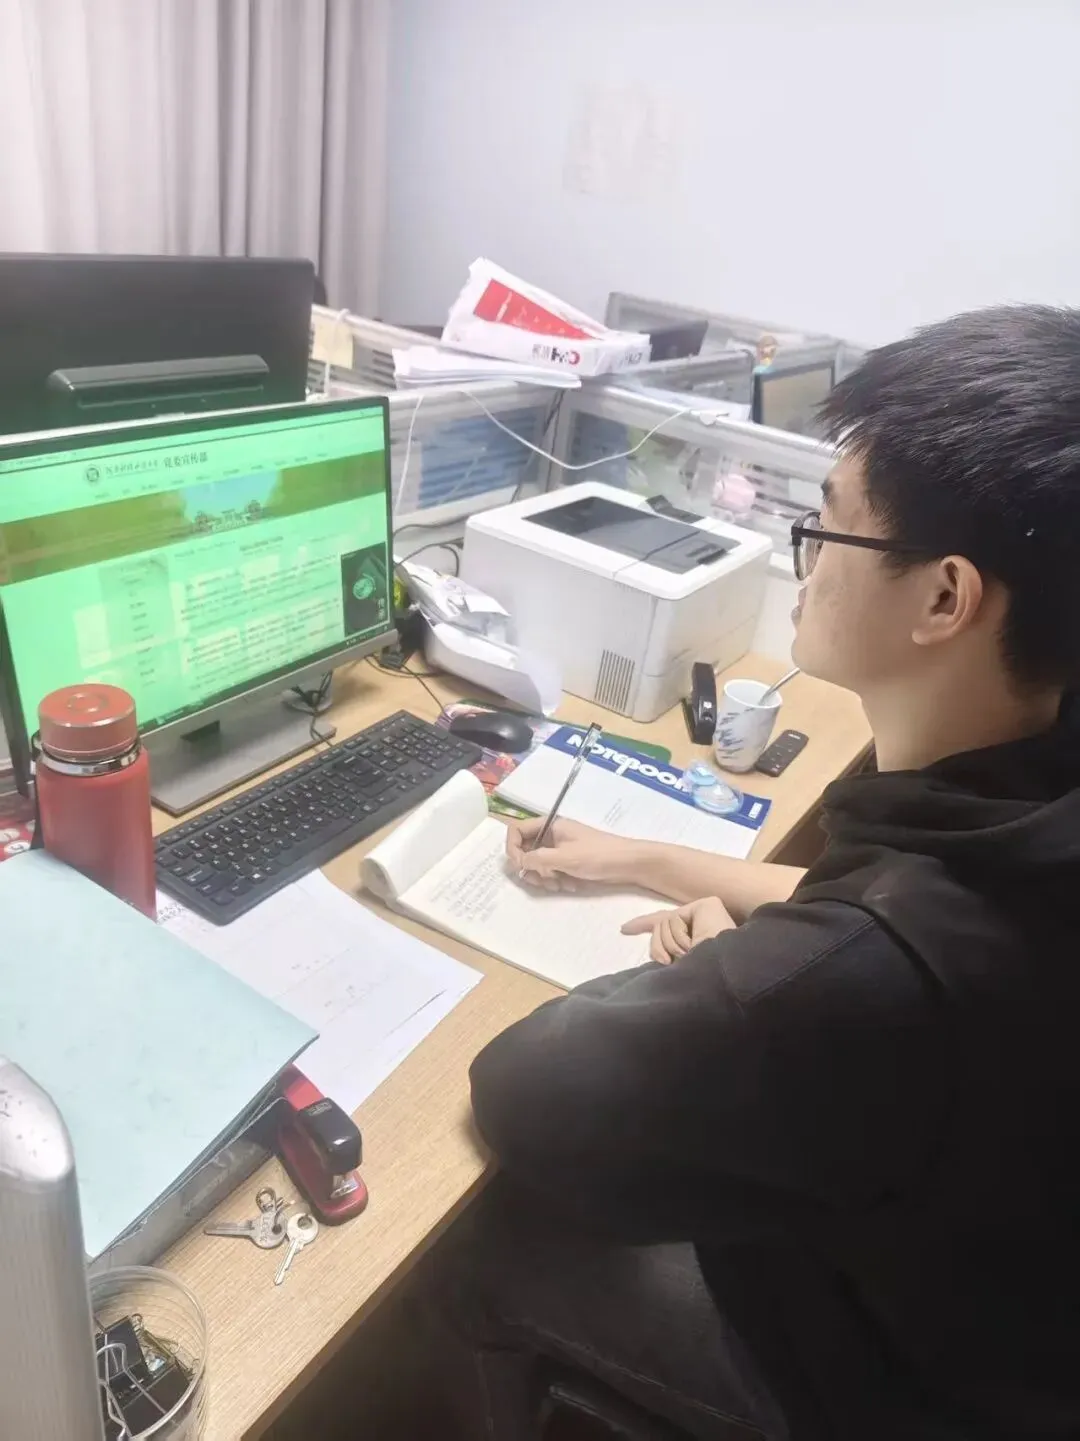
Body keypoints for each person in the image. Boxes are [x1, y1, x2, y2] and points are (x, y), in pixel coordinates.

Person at [422, 306, 1080, 1441]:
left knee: (482, 1238)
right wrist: (649, 855)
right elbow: (901, 914)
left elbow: (522, 1089)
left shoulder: (851, 974)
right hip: (1015, 1308)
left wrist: (731, 972)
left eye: (829, 530)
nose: (806, 564)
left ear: (945, 598)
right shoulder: (1029, 804)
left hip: (898, 1384)